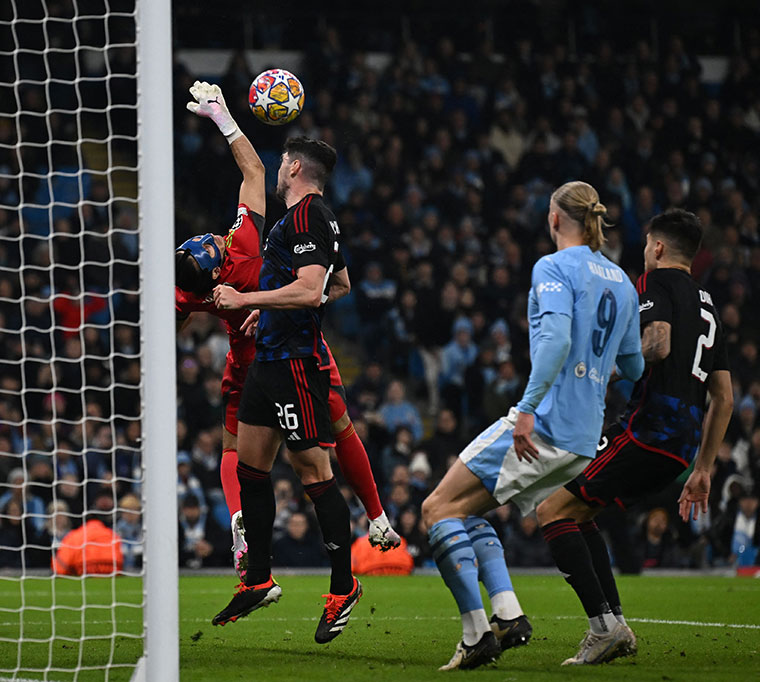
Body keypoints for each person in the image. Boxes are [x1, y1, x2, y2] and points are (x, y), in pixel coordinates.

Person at [175, 81, 399, 580]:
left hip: (246, 358)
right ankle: (376, 520)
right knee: (330, 442)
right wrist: (224, 119)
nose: (213, 236)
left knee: (238, 454)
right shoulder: (245, 240)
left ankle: (241, 524)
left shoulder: (191, 291)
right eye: (209, 242)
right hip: (293, 347)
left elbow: (174, 317)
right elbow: (254, 171)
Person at [420, 181, 643, 669]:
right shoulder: (623, 281)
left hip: (546, 423)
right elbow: (634, 365)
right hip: (584, 437)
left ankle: (476, 635)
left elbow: (556, 340)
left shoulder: (553, 266)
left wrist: (526, 408)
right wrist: (593, 372)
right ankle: (507, 614)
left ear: (555, 218)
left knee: (436, 509)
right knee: (465, 513)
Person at [536, 208, 733, 665]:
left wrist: (602, 365)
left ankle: (603, 628)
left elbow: (658, 343)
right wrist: (702, 468)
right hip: (680, 447)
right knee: (580, 513)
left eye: (647, 244)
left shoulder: (653, 283)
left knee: (550, 510)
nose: (645, 251)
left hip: (647, 431)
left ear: (658, 247)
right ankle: (615, 625)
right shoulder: (707, 304)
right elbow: (723, 398)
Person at [207, 128, 362, 644]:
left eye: (281, 163)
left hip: (295, 364)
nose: (277, 170)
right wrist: (272, 312)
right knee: (250, 467)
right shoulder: (312, 219)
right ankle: (257, 579)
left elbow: (312, 289)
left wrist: (247, 301)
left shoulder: (308, 217)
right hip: (269, 361)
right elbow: (339, 285)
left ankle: (343, 587)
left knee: (313, 473)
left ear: (294, 167)